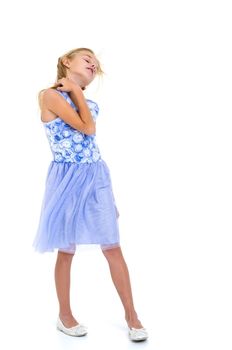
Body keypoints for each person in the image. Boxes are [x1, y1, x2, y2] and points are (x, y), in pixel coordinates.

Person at [32, 47, 148, 342]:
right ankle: (64, 315)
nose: (94, 64)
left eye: (96, 64)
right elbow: (87, 128)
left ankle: (132, 315)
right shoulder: (50, 96)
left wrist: (77, 92)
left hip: (95, 176)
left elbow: (89, 133)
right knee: (66, 250)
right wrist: (73, 91)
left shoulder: (87, 100)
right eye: (88, 59)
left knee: (112, 245)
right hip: (67, 178)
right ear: (66, 62)